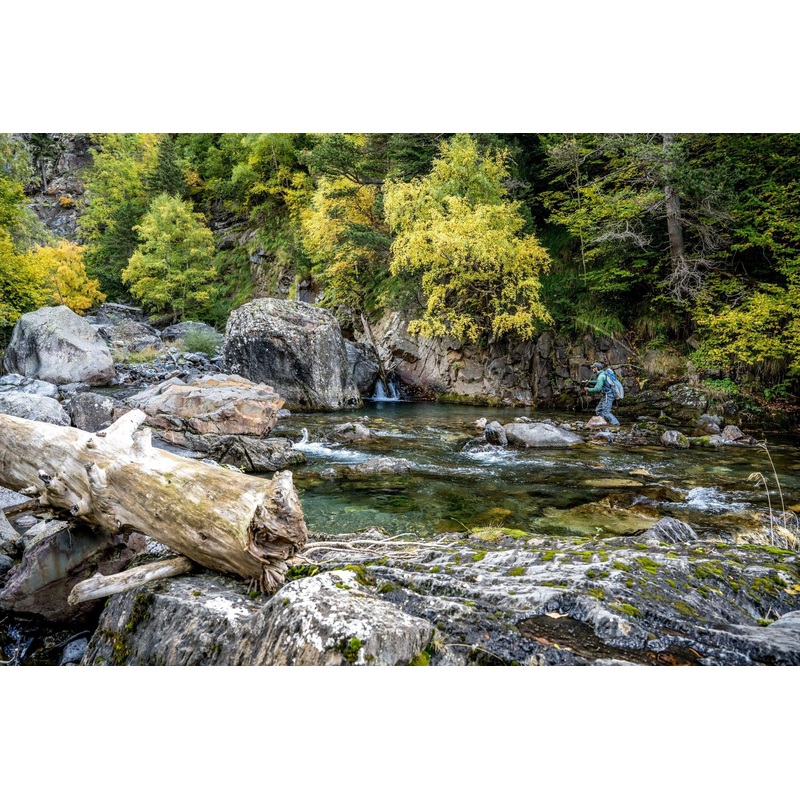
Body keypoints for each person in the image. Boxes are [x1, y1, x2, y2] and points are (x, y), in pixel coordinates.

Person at [586, 361, 619, 426]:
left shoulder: (601, 376)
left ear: (596, 368)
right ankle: (603, 423)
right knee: (598, 410)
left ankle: (616, 425)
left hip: (608, 395)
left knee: (606, 412)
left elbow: (598, 388)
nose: (592, 369)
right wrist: (590, 382)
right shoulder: (602, 374)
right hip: (606, 395)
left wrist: (588, 389)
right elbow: (598, 382)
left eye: (593, 368)